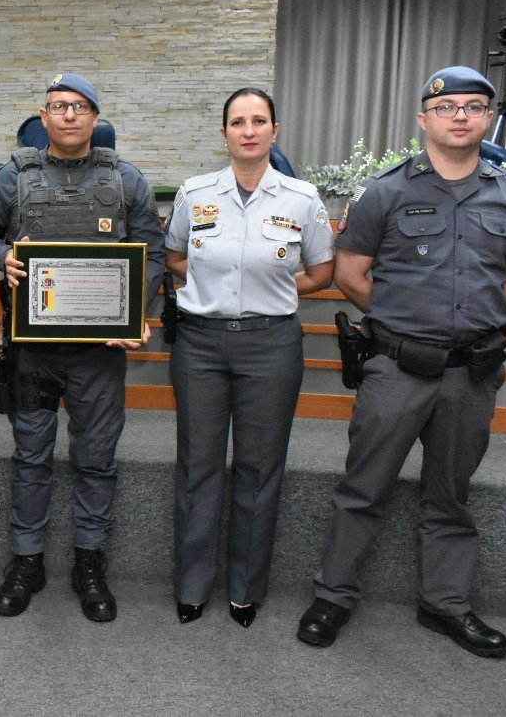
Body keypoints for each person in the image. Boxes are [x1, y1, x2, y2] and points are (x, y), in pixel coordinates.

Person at [296, 66, 506, 658]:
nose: (459, 115)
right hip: (397, 369)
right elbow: (352, 275)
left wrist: (469, 313)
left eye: (472, 106)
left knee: (452, 493)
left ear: (488, 118)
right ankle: (333, 596)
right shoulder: (385, 192)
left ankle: (447, 604)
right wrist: (409, 318)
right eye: (447, 107)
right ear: (424, 119)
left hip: (473, 373)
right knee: (363, 487)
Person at [0, 73, 166, 622]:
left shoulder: (126, 180)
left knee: (95, 459)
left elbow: (152, 254)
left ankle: (90, 562)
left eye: (79, 107)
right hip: (33, 351)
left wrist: (138, 311)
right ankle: (27, 561)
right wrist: (2, 258)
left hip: (98, 352)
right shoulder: (11, 179)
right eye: (59, 106)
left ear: (94, 118)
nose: (68, 115)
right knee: (31, 457)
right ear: (44, 117)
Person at [165, 88, 334, 628]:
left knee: (260, 469)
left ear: (274, 131)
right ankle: (192, 586)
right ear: (224, 134)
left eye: (259, 120)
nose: (248, 130)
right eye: (237, 122)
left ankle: (244, 589)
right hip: (200, 344)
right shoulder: (194, 194)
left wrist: (272, 288)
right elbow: (173, 255)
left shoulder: (302, 199)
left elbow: (323, 270)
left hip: (272, 344)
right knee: (199, 465)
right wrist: (215, 288)